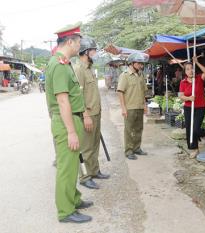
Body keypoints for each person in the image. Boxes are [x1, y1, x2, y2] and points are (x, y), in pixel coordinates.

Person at [45, 22, 93, 223]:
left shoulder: (64, 63)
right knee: (66, 168)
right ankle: (65, 211)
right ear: (70, 42)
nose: (80, 46)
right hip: (67, 124)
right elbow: (63, 100)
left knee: (72, 165)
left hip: (71, 120)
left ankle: (73, 199)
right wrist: (71, 132)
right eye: (79, 42)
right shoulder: (58, 65)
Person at [74, 37, 110, 190]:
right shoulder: (79, 69)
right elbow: (78, 96)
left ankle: (94, 171)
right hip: (87, 115)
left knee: (95, 144)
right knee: (87, 147)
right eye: (93, 50)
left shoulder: (89, 68)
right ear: (85, 52)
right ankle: (85, 177)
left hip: (96, 113)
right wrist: (86, 115)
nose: (95, 52)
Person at [117, 52, 149, 160]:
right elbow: (120, 92)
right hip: (129, 108)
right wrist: (123, 108)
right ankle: (129, 151)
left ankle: (137, 148)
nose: (141, 65)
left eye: (141, 63)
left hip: (139, 107)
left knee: (139, 129)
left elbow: (143, 92)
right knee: (129, 130)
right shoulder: (124, 75)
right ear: (132, 63)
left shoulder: (141, 75)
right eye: (139, 63)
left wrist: (145, 105)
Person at [178, 56, 205, 158]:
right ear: (185, 71)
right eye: (187, 69)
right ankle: (194, 149)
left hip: (200, 107)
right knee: (189, 130)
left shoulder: (199, 78)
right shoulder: (183, 82)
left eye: (191, 68)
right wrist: (188, 98)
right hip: (188, 107)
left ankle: (203, 134)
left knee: (196, 129)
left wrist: (197, 62)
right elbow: (181, 96)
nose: (190, 70)